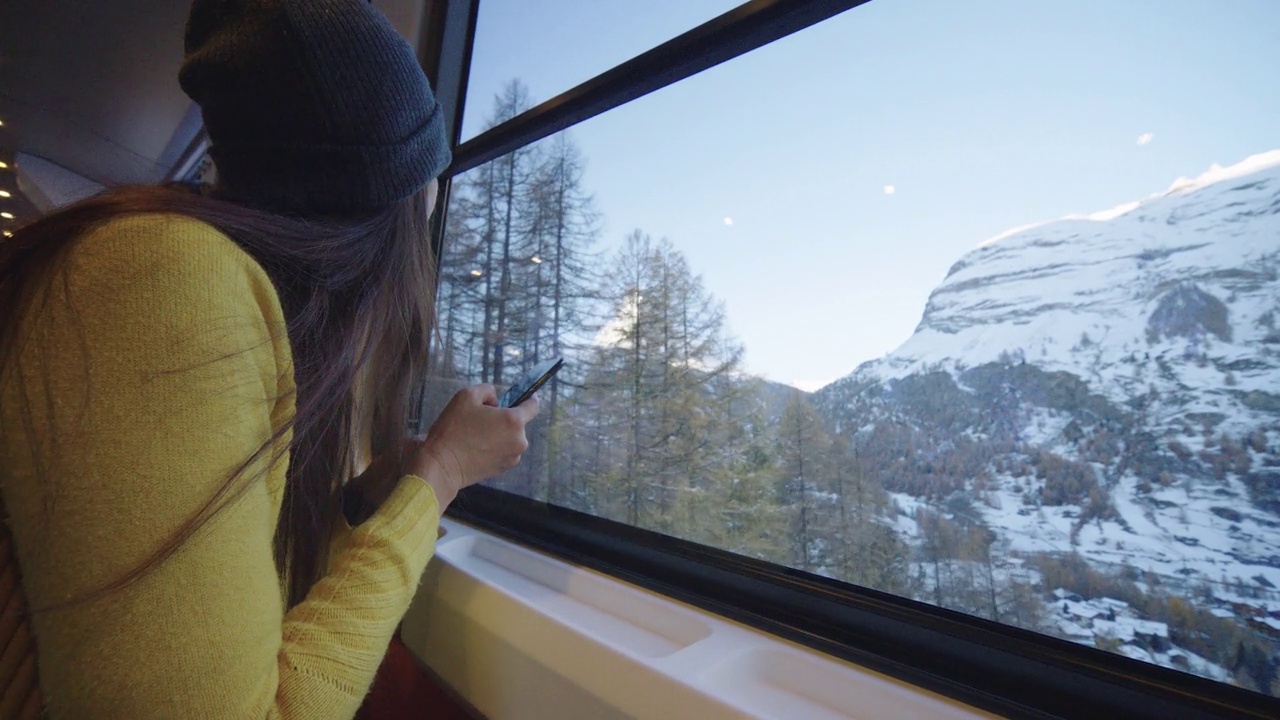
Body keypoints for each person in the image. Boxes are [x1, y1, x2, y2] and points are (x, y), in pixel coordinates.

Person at [0, 1, 538, 717]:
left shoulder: (222, 299)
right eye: (431, 178)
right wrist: (439, 477)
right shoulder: (166, 282)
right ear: (395, 199)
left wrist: (378, 486)